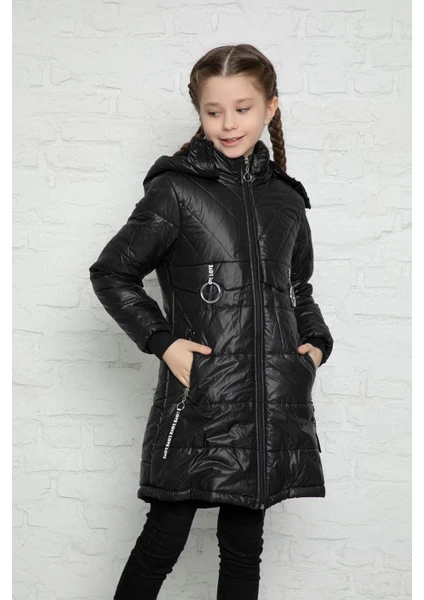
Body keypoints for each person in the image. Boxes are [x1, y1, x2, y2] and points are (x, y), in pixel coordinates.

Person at [88, 43, 334, 600]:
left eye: (243, 109)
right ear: (198, 111)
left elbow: (299, 287)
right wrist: (163, 341)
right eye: (213, 111)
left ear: (270, 108)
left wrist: (316, 344)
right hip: (200, 397)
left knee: (244, 549)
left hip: (269, 403)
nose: (228, 124)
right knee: (162, 540)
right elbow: (112, 273)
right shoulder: (176, 190)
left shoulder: (286, 200)